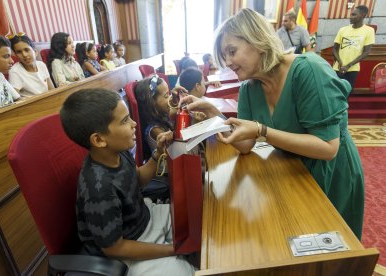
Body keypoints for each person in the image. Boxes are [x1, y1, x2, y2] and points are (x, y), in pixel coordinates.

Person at [181, 8, 364, 239]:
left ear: (257, 40)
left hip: (332, 172)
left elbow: (328, 147)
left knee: (333, 251)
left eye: (232, 51)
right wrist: (213, 114)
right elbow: (246, 144)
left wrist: (263, 131)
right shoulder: (250, 87)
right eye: (224, 56)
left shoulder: (308, 70)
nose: (228, 62)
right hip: (293, 170)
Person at [60, 88, 195, 276]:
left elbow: (137, 179)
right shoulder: (98, 189)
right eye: (124, 121)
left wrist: (157, 153)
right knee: (188, 272)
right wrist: (171, 249)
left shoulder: (119, 152)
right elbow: (115, 248)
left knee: (197, 218)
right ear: (99, 139)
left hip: (146, 218)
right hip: (127, 251)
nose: (134, 124)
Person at [332, 5, 375, 90]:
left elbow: (366, 52)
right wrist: (340, 63)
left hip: (352, 69)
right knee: (334, 92)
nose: (350, 17)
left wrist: (348, 65)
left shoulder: (369, 31)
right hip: (338, 68)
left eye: (354, 14)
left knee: (346, 93)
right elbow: (334, 49)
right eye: (351, 14)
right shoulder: (342, 30)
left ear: (363, 15)